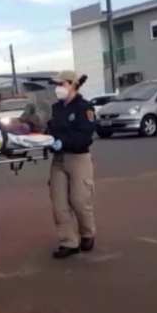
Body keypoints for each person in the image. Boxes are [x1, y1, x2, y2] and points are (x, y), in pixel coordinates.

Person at [46, 70, 96, 259]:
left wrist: (64, 142)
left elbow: (85, 135)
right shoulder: (57, 108)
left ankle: (87, 234)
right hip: (59, 159)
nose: (58, 89)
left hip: (78, 158)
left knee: (80, 200)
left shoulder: (84, 108)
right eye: (57, 85)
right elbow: (50, 128)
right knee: (59, 203)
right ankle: (68, 242)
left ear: (73, 84)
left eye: (62, 84)